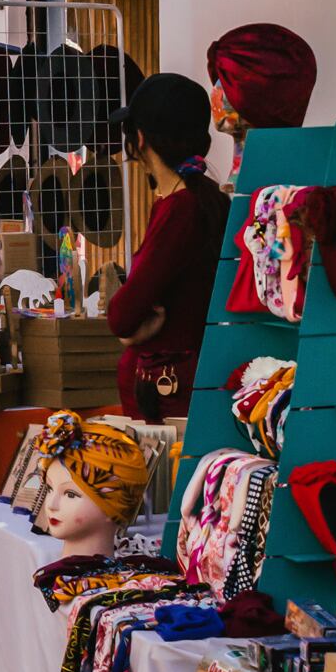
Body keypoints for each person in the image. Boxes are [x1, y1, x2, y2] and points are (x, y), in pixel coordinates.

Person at [106, 73, 231, 421]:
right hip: (182, 385)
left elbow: (122, 316)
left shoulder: (180, 209)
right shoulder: (201, 199)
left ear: (141, 139)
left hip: (167, 396)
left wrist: (131, 330)